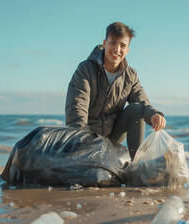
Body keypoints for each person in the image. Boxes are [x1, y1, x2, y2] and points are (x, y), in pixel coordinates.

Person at [65, 22, 166, 160]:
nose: (117, 49)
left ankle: (135, 165)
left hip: (112, 137)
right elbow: (77, 108)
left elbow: (141, 101)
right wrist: (83, 143)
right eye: (113, 43)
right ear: (105, 43)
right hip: (86, 138)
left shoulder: (130, 75)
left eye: (122, 45)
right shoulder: (85, 69)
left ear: (128, 50)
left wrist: (154, 115)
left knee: (137, 109)